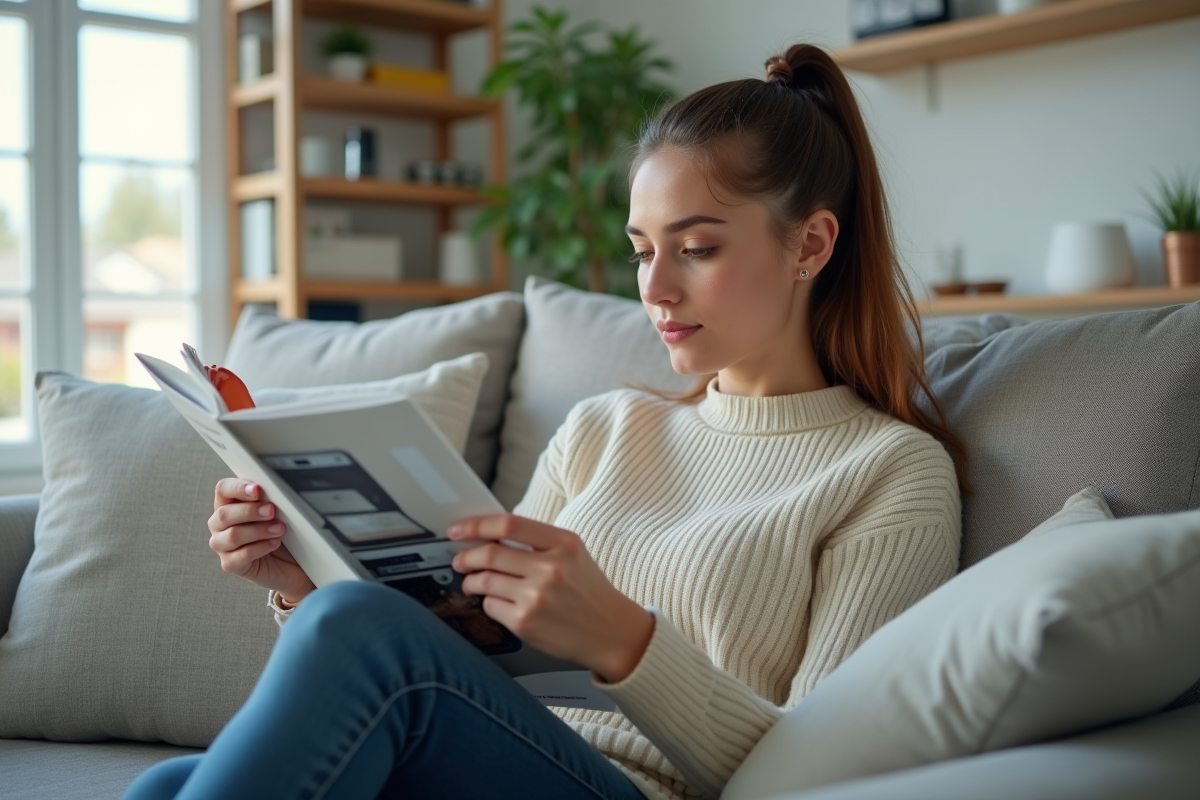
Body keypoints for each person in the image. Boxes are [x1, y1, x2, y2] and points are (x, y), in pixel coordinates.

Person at [126, 42, 967, 800]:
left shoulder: (891, 473)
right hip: (491, 751)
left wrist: (626, 646)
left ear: (811, 246)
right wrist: (304, 582)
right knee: (171, 784)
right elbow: (464, 649)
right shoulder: (605, 429)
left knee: (352, 638)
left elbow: (825, 774)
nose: (655, 288)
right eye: (642, 249)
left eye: (697, 248)